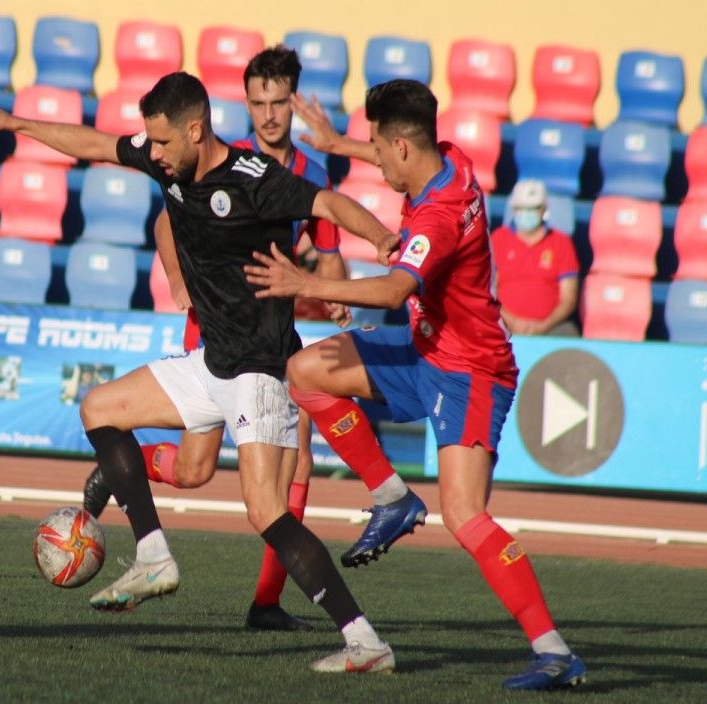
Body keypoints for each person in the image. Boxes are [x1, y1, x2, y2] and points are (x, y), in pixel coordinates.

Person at [0, 71, 402, 673]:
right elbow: (91, 143)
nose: (154, 154)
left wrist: (378, 237)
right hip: (211, 360)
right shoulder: (168, 160)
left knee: (265, 512)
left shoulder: (253, 180)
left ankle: (363, 641)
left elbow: (327, 202)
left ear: (196, 130)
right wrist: (13, 124)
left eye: (162, 143)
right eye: (150, 144)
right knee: (99, 408)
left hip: (259, 372)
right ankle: (154, 553)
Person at [245, 80, 586, 689]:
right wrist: (336, 143)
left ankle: (554, 650)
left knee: (466, 515)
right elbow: (390, 152)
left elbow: (394, 291)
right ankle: (391, 495)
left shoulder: (440, 214)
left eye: (379, 147)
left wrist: (307, 286)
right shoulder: (450, 156)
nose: (375, 158)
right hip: (423, 349)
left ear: (402, 146)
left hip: (470, 372)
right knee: (307, 371)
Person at [80, 46, 352, 633]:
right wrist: (178, 279)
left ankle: (266, 602)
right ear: (246, 105)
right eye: (258, 103)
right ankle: (125, 473)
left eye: (279, 102)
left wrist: (339, 296)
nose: (269, 115)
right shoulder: (224, 163)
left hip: (275, 337)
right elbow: (167, 216)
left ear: (294, 104)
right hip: (214, 325)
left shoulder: (308, 175)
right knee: (197, 470)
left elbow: (330, 253)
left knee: (289, 467)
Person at [490, 179, 580, 336]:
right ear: (514, 210)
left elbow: (569, 298)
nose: (526, 213)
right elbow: (489, 291)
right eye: (521, 208)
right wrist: (512, 322)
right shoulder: (498, 239)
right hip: (502, 322)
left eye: (533, 208)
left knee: (569, 334)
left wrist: (543, 326)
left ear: (544, 209)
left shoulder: (561, 242)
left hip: (552, 327)